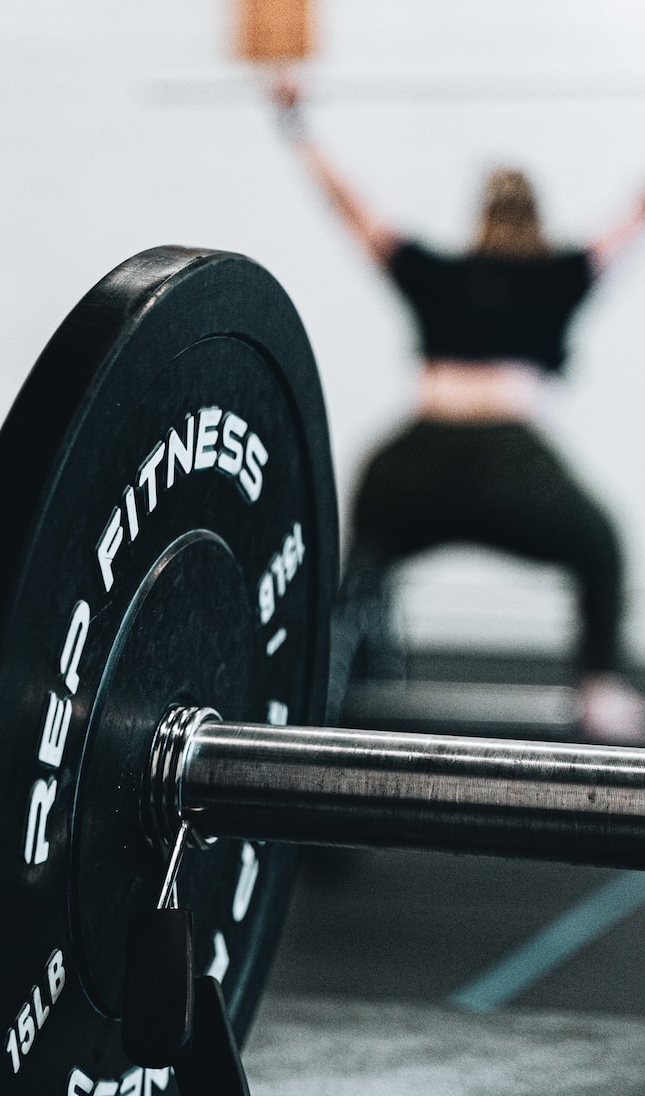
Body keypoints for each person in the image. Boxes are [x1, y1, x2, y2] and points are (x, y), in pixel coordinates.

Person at [271, 77, 645, 743]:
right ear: (538, 219)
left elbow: (350, 206)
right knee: (600, 545)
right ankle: (598, 690)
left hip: (413, 463)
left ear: (482, 219)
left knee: (362, 561)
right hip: (510, 463)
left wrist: (298, 125)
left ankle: (327, 677)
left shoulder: (436, 273)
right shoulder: (560, 274)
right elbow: (636, 211)